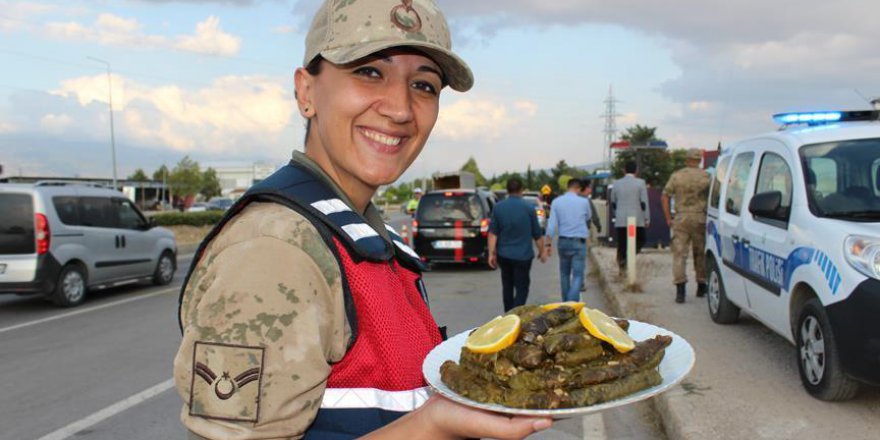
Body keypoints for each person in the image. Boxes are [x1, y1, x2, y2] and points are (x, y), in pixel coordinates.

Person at [172, 0, 552, 439]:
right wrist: (435, 427)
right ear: (306, 91)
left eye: (424, 85)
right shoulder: (276, 249)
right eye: (369, 71)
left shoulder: (363, 232)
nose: (400, 108)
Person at [487, 177, 547, 311]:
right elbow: (537, 234)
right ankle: (516, 314)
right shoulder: (529, 208)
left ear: (508, 190)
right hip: (523, 256)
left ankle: (508, 314)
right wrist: (542, 251)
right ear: (521, 190)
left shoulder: (498, 208)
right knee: (522, 287)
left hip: (504, 255)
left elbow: (493, 233)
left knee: (507, 286)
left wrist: (491, 253)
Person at [662, 148, 710, 303]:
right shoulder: (706, 176)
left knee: (680, 254)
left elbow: (665, 195)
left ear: (687, 159)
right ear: (700, 160)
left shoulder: (677, 176)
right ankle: (701, 285)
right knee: (700, 253)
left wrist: (669, 218)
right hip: (700, 218)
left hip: (681, 218)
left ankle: (680, 290)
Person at [544, 178, 592, 302]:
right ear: (578, 189)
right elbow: (588, 217)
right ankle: (572, 301)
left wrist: (548, 244)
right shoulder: (584, 202)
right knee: (577, 275)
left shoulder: (556, 202)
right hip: (579, 241)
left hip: (563, 241)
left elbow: (551, 225)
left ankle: (565, 303)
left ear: (568, 187)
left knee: (564, 274)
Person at [611, 160, 650, 274]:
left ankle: (622, 267)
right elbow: (644, 202)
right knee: (641, 239)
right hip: (636, 219)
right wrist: (646, 218)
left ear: (624, 170)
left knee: (622, 243)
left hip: (621, 219)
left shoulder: (617, 183)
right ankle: (631, 255)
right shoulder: (640, 183)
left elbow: (613, 201)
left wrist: (616, 214)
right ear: (636, 170)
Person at [578, 179, 601, 292]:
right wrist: (598, 225)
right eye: (589, 187)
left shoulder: (573, 199)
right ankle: (580, 283)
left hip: (569, 233)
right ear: (585, 188)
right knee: (580, 260)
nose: (591, 190)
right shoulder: (586, 201)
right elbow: (594, 215)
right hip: (582, 233)